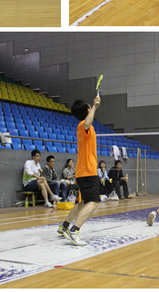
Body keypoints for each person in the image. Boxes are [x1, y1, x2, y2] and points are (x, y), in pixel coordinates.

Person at [57, 96, 101, 246]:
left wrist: (92, 107)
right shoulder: (83, 125)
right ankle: (74, 230)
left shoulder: (83, 127)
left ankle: (65, 225)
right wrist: (95, 106)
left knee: (84, 202)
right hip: (88, 171)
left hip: (83, 171)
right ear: (88, 110)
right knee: (94, 202)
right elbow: (88, 122)